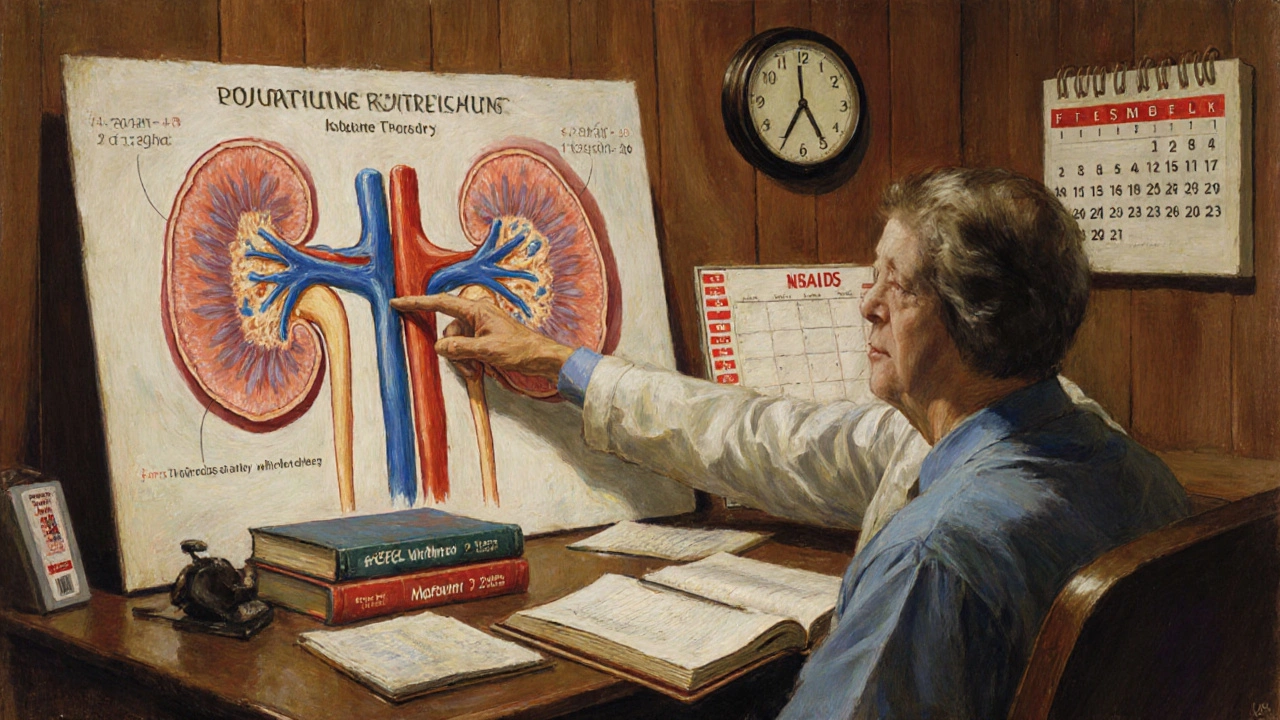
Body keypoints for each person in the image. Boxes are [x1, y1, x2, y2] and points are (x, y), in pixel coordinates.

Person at [391, 167, 1190, 719]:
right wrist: (559, 363)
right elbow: (768, 441)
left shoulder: (935, 556)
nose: (865, 305)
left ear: (967, 316)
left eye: (894, 283)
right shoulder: (1120, 464)